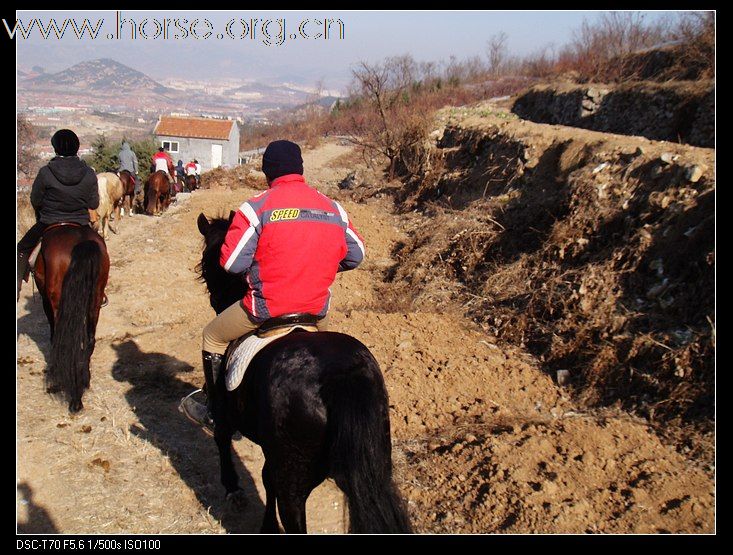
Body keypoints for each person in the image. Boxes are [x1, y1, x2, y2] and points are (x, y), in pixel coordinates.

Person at [181, 140, 365, 432]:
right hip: (316, 311)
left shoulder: (255, 209)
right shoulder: (334, 208)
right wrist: (319, 262)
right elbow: (357, 255)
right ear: (301, 169)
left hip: (266, 309)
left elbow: (231, 264)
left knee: (212, 336)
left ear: (268, 173)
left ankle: (215, 411)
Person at [17, 129, 100, 300]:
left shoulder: (45, 172)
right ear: (77, 148)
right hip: (81, 223)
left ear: (55, 148)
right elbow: (93, 204)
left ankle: (17, 286)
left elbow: (36, 200)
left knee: (22, 248)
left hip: (49, 221)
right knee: (99, 251)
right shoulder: (89, 173)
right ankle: (100, 291)